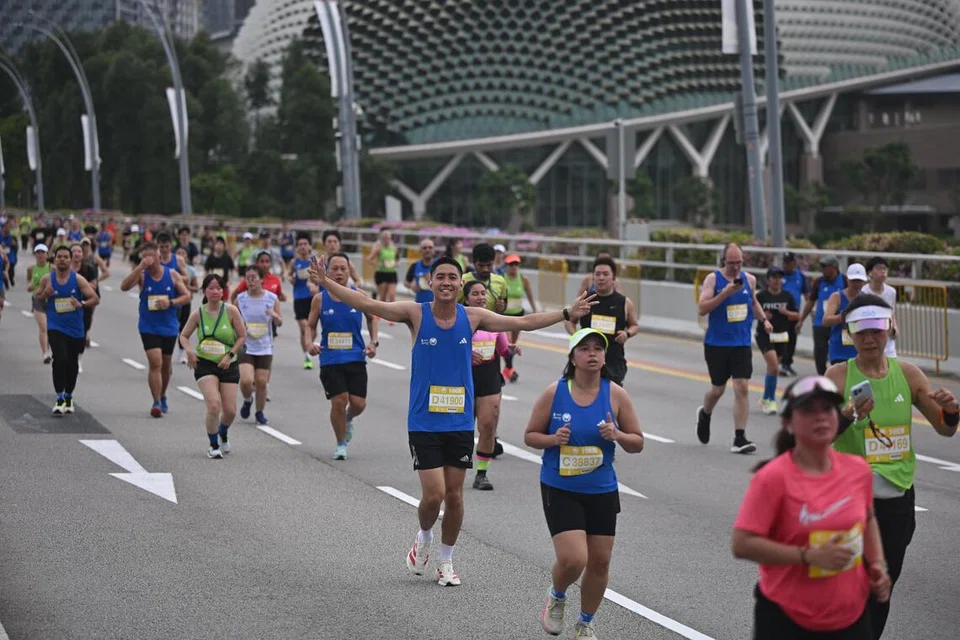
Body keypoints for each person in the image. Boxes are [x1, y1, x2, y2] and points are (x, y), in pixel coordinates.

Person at [307, 253, 597, 587]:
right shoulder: (415, 313)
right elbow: (366, 302)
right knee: (434, 495)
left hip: (459, 423)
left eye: (452, 277)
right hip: (424, 423)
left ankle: (446, 560)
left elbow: (522, 322)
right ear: (430, 282)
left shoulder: (472, 317)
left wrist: (565, 313)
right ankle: (425, 535)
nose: (446, 282)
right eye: (440, 276)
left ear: (461, 284)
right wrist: (327, 282)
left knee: (455, 496)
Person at [825, 295, 959, 638]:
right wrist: (848, 414)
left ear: (889, 329)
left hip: (897, 502)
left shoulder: (909, 375)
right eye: (861, 332)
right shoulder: (838, 377)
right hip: (849, 502)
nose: (870, 339)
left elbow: (944, 429)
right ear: (850, 334)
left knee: (883, 584)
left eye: (876, 330)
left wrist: (953, 410)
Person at [732, 376, 891, 639]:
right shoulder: (773, 478)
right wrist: (808, 556)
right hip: (787, 618)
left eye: (827, 409)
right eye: (808, 410)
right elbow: (742, 544)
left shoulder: (857, 470)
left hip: (851, 615)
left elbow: (869, 518)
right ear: (788, 423)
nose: (820, 417)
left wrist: (877, 564)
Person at [525, 327, 644, 638]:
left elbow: (637, 442)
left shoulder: (616, 394)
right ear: (573, 357)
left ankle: (585, 623)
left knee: (600, 562)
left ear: (604, 357)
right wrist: (553, 438)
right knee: (574, 558)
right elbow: (530, 436)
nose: (592, 353)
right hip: (560, 487)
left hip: (601, 489)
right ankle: (557, 596)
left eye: (597, 349)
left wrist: (617, 435)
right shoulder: (555, 392)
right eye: (584, 348)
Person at [696, 243, 772, 454]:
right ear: (724, 261)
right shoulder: (713, 280)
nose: (736, 268)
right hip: (717, 344)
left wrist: (764, 320)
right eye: (732, 264)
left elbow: (753, 303)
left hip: (741, 343)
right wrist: (725, 294)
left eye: (739, 263)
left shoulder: (749, 279)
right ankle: (705, 413)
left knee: (742, 387)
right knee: (718, 389)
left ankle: (739, 438)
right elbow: (702, 308)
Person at [307, 253, 378, 460]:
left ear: (349, 271)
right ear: (327, 271)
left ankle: (347, 419)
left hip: (356, 357)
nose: (339, 273)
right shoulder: (320, 299)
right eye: (334, 268)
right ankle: (341, 444)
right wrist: (309, 343)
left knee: (358, 404)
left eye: (343, 269)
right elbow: (310, 325)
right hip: (330, 359)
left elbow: (372, 318)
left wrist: (373, 342)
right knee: (339, 400)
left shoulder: (359, 295)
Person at [120, 241, 192, 417]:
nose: (150, 264)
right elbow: (124, 287)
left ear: (159, 258)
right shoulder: (142, 275)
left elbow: (187, 296)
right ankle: (157, 402)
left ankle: (163, 394)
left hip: (168, 326)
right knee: (155, 362)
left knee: (166, 366)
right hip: (148, 326)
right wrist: (139, 268)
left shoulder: (172, 274)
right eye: (146, 260)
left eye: (152, 259)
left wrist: (171, 302)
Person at [179, 274, 246, 459]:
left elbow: (242, 336)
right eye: (211, 288)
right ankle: (213, 445)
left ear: (223, 291)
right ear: (204, 291)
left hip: (227, 364)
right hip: (205, 363)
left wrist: (230, 355)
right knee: (214, 405)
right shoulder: (198, 313)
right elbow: (183, 335)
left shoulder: (231, 311)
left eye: (218, 288)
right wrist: (189, 352)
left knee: (230, 411)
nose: (215, 291)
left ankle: (222, 432)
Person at [462, 280, 520, 490]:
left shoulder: (495, 322)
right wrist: (465, 354)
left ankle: (482, 473)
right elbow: (446, 349)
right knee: (463, 428)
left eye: (483, 293)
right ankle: (456, 468)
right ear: (466, 299)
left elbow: (504, 350)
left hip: (489, 378)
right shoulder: (460, 321)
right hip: (464, 380)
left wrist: (512, 349)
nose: (481, 297)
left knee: (487, 426)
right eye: (475, 294)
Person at [34, 245, 100, 414]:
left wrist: (81, 304)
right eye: (59, 256)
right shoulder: (47, 279)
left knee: (72, 364)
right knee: (59, 359)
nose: (62, 259)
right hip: (56, 326)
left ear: (71, 260)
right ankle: (59, 397)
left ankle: (69, 395)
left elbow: (95, 298)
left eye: (65, 257)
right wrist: (44, 295)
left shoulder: (78, 280)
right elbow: (37, 300)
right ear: (54, 259)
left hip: (75, 328)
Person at [565, 256, 639, 387]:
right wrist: (576, 336)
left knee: (611, 399)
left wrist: (627, 334)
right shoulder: (585, 301)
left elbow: (634, 326)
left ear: (614, 278)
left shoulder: (624, 302)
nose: (601, 278)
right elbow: (569, 322)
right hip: (587, 360)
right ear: (593, 277)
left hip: (613, 361)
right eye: (597, 274)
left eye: (605, 274)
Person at [236, 266, 282, 426]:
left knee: (261, 382)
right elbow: (233, 320)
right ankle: (248, 399)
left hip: (264, 346)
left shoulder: (271, 298)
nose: (250, 281)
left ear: (262, 279)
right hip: (246, 345)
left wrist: (274, 315)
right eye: (247, 278)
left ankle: (259, 412)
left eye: (254, 277)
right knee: (246, 380)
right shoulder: (240, 299)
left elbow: (279, 322)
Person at [756, 266, 800, 414]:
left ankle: (765, 397)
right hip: (765, 335)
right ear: (768, 280)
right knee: (774, 366)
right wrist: (763, 317)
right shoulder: (761, 296)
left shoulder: (787, 296)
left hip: (782, 336)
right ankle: (771, 401)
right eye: (774, 277)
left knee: (773, 370)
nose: (777, 280)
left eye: (779, 278)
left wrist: (786, 312)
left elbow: (797, 316)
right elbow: (751, 313)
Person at [798, 256, 845, 375]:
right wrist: (801, 320)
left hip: (838, 323)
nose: (821, 269)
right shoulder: (818, 282)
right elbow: (810, 301)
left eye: (824, 267)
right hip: (820, 322)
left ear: (833, 268)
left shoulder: (844, 281)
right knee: (819, 351)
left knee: (838, 350)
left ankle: (837, 373)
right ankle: (822, 375)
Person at [501, 253, 538, 383]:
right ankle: (510, 368)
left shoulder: (523, 279)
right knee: (508, 343)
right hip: (504, 316)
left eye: (516, 264)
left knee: (513, 344)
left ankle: (507, 367)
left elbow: (530, 295)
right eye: (511, 264)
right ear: (506, 266)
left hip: (518, 315)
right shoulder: (502, 279)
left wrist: (535, 311)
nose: (514, 267)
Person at [823, 264, 868, 366]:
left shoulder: (866, 299)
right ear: (847, 280)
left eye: (859, 281)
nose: (857, 284)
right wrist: (842, 316)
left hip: (859, 350)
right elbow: (825, 320)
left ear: (864, 282)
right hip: (839, 350)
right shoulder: (837, 297)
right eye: (854, 281)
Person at [290, 232, 318, 369]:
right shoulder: (294, 262)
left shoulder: (315, 261)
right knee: (304, 327)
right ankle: (307, 354)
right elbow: (288, 274)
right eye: (300, 244)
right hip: (299, 298)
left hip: (313, 299)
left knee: (312, 329)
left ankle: (308, 346)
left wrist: (315, 285)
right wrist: (290, 278)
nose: (302, 247)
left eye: (305, 244)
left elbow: (322, 279)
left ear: (310, 246)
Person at [780, 252, 808, 377]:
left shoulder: (800, 276)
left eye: (789, 262)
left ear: (794, 263)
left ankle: (787, 364)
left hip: (794, 311)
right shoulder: (779, 275)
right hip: (781, 311)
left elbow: (807, 294)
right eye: (785, 262)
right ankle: (781, 362)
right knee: (781, 338)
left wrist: (808, 311)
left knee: (792, 338)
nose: (787, 265)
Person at [864, 257, 898, 358]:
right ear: (870, 273)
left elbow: (892, 312)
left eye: (885, 269)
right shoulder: (864, 292)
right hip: (871, 338)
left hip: (888, 341)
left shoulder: (891, 292)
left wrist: (895, 327)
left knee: (892, 368)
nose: (883, 271)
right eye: (879, 268)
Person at [460, 242, 508, 312]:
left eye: (489, 265)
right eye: (481, 265)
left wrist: (501, 307)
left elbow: (505, 303)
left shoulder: (501, 281)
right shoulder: (462, 280)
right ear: (473, 263)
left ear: (493, 262)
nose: (485, 269)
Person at [27, 244, 53, 363]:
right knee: (43, 327)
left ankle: (52, 349)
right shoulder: (31, 268)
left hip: (51, 300)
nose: (40, 255)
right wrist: (30, 286)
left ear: (47, 254)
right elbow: (29, 283)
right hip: (38, 300)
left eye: (42, 252)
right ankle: (45, 353)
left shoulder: (52, 268)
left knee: (52, 328)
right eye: (38, 252)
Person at [175, 246, 200, 364]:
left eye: (183, 253)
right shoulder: (170, 268)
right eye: (178, 253)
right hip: (173, 301)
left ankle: (181, 353)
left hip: (185, 302)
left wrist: (185, 287)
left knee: (183, 327)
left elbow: (196, 287)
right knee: (172, 326)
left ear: (186, 256)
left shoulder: (190, 270)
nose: (180, 255)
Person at [368, 229, 399, 306]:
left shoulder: (394, 248)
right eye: (384, 238)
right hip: (381, 273)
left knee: (392, 296)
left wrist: (396, 263)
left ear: (390, 238)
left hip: (392, 272)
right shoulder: (378, 248)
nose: (386, 239)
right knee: (383, 297)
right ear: (381, 239)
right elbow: (369, 259)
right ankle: (382, 315)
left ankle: (393, 316)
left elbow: (397, 258)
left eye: (388, 237)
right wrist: (379, 264)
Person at [404, 238, 437, 303]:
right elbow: (406, 282)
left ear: (434, 250)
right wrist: (411, 286)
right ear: (420, 250)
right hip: (420, 304)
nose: (427, 250)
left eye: (430, 247)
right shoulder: (415, 265)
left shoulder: (440, 264)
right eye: (424, 248)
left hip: (437, 303)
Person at [1, 219, 18, 287]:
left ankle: (11, 278)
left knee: (11, 270)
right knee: (3, 269)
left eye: (9, 227)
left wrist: (13, 244)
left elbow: (16, 247)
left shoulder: (12, 236)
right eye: (6, 227)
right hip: (2, 255)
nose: (7, 229)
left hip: (11, 255)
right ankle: (5, 282)